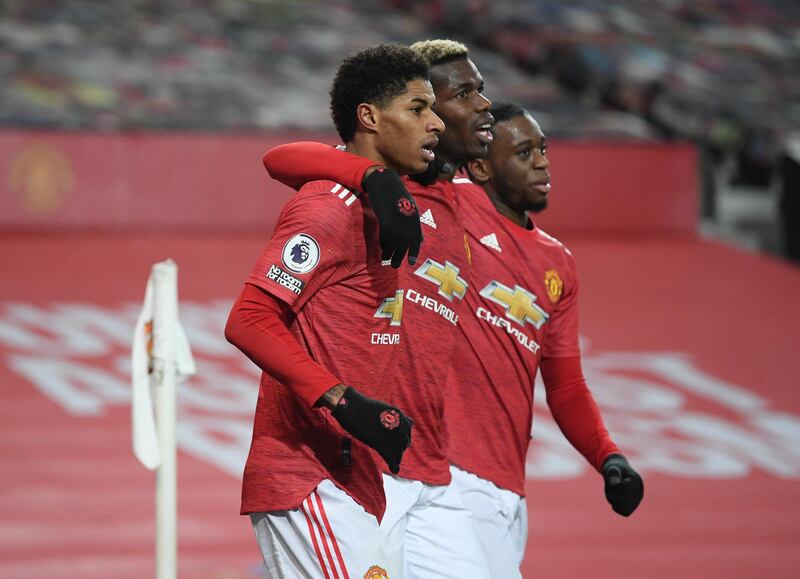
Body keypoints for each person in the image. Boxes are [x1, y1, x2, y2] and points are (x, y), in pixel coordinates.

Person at [263, 39, 494, 578]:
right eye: (445, 97)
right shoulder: (362, 192)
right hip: (357, 454)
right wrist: (375, 178)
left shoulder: (467, 198)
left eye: (478, 92)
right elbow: (278, 158)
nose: (476, 105)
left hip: (427, 462)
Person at [225, 44, 443, 578]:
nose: (434, 122)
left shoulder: (392, 204)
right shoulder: (328, 208)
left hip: (361, 471)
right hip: (311, 472)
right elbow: (248, 320)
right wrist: (343, 401)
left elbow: (283, 157)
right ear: (369, 117)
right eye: (417, 109)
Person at [445, 102, 644, 577]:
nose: (542, 161)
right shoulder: (449, 204)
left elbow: (566, 386)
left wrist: (608, 456)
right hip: (445, 473)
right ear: (480, 167)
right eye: (523, 151)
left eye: (543, 148)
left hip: (507, 486)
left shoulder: (558, 263)